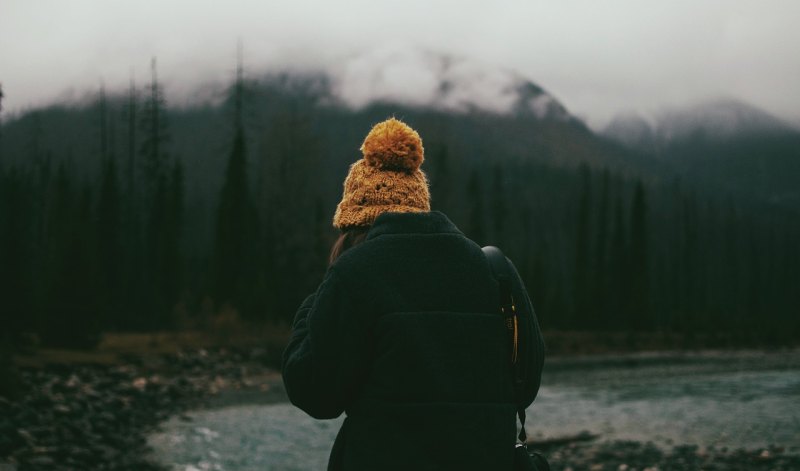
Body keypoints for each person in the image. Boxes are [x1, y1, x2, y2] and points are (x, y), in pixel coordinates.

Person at [282, 118, 545, 470]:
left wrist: (314, 305)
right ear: (420, 204)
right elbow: (525, 386)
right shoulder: (495, 270)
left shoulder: (354, 274)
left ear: (353, 221)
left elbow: (314, 391)